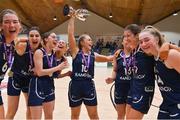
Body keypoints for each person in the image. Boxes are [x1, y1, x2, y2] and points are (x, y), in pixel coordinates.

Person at [68, 16, 114, 119]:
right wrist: (72, 18)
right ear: (82, 42)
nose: (91, 42)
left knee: (94, 115)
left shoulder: (93, 55)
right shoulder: (75, 52)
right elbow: (70, 34)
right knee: (75, 115)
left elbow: (107, 58)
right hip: (76, 85)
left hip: (88, 85)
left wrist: (119, 54)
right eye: (89, 40)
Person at [139, 25, 180, 119]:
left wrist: (169, 45)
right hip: (167, 103)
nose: (143, 44)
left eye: (146, 40)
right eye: (141, 42)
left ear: (157, 39)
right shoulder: (153, 58)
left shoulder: (170, 55)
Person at [28, 32, 69, 119]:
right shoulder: (39, 52)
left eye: (56, 38)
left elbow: (55, 75)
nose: (56, 39)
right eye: (53, 37)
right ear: (46, 39)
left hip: (49, 85)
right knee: (36, 118)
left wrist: (65, 71)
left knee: (49, 117)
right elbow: (39, 72)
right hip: (37, 86)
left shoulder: (54, 54)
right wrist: (58, 67)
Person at [5, 27, 41, 119]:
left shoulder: (41, 50)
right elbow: (12, 41)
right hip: (15, 79)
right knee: (12, 111)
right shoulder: (22, 45)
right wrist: (19, 39)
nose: (34, 38)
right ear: (28, 38)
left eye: (37, 36)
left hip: (29, 81)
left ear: (40, 38)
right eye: (31, 36)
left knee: (30, 109)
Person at [123, 24, 155, 119]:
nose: (126, 38)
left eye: (128, 35)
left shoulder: (146, 49)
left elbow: (161, 48)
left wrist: (167, 45)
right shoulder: (134, 51)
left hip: (143, 90)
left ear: (137, 35)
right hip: (133, 88)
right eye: (124, 36)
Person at [0, 9, 21, 119]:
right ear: (1, 25)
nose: (11, 25)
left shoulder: (14, 46)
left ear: (19, 25)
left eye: (15, 21)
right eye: (7, 22)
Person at [105, 36, 132, 119]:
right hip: (120, 87)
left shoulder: (136, 54)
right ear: (122, 43)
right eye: (125, 40)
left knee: (130, 116)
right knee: (120, 115)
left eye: (129, 39)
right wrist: (112, 78)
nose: (127, 41)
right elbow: (115, 70)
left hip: (133, 88)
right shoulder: (117, 55)